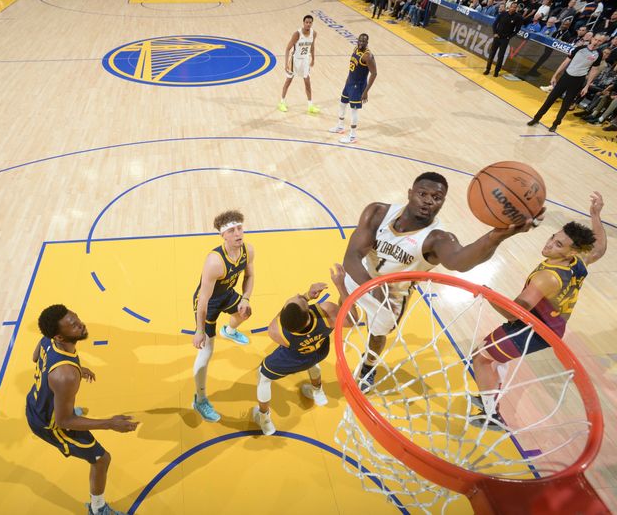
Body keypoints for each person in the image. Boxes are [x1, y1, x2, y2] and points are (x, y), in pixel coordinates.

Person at [342, 172, 542, 392]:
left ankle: (368, 366)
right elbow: (351, 257)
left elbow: (461, 262)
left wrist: (497, 236)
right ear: (410, 194)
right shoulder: (378, 212)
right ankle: (343, 305)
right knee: (343, 311)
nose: (429, 201)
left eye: (437, 197)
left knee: (377, 335)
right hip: (362, 275)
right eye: (423, 194)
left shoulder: (437, 239)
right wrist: (371, 287)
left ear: (443, 202)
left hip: (392, 296)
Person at [470, 192, 606, 430]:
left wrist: (487, 293)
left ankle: (491, 415)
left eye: (559, 245)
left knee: (480, 359)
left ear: (571, 252)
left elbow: (514, 313)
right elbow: (600, 248)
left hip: (532, 329)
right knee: (488, 355)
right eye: (553, 237)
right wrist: (596, 215)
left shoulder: (547, 278)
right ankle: (489, 395)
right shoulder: (579, 261)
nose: (550, 244)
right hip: (550, 326)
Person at [26, 304, 138, 515]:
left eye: (76, 318)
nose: (80, 324)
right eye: (73, 325)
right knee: (101, 459)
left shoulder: (48, 340)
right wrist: (109, 423)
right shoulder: (66, 376)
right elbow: (64, 422)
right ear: (59, 336)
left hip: (35, 402)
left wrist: (77, 368)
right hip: (49, 424)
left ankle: (62, 406)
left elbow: (35, 358)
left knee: (66, 407)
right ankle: (98, 509)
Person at [253, 265, 350, 435]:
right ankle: (318, 391)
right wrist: (341, 286)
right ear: (308, 312)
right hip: (319, 351)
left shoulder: (277, 332)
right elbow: (352, 318)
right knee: (312, 363)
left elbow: (279, 320)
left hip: (294, 359)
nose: (299, 295)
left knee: (263, 376)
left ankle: (264, 419)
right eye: (300, 298)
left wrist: (304, 297)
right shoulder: (326, 314)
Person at [192, 210, 255, 422]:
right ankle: (199, 400)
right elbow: (202, 301)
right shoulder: (214, 262)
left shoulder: (248, 250)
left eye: (239, 228)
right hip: (207, 304)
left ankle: (229, 330)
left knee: (246, 312)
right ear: (223, 236)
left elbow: (250, 275)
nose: (238, 233)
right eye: (231, 230)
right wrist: (199, 330)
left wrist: (245, 298)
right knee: (206, 351)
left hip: (226, 294)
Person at [527, 33, 606, 132]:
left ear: (602, 43)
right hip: (566, 77)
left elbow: (594, 70)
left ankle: (555, 124)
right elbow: (566, 62)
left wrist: (586, 86)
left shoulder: (599, 54)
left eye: (600, 41)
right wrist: (555, 75)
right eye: (596, 39)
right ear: (592, 38)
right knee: (550, 99)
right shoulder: (579, 48)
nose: (596, 42)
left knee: (566, 104)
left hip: (578, 80)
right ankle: (536, 118)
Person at [329, 33, 377, 144]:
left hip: (358, 86)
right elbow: (352, 68)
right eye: (360, 40)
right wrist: (347, 80)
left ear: (367, 43)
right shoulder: (356, 49)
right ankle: (340, 127)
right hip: (350, 83)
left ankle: (352, 136)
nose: (361, 42)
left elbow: (374, 73)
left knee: (354, 110)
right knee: (342, 103)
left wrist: (366, 92)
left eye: (364, 41)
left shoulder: (368, 56)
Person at [278, 14, 319, 114]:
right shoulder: (297, 34)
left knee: (307, 82)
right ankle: (282, 102)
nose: (308, 24)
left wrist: (313, 59)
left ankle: (310, 105)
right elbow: (288, 48)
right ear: (303, 23)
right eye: (307, 22)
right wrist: (286, 64)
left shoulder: (314, 33)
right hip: (295, 60)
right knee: (288, 81)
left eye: (310, 22)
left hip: (305, 60)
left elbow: (312, 47)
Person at [484, 2, 523, 77]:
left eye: (515, 7)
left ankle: (496, 71)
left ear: (516, 8)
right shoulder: (502, 14)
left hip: (505, 39)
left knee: (501, 56)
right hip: (497, 37)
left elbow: (517, 29)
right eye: (512, 7)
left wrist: (509, 37)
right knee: (492, 54)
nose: (514, 8)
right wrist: (495, 33)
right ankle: (487, 69)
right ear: (509, 7)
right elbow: (495, 24)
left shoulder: (518, 17)